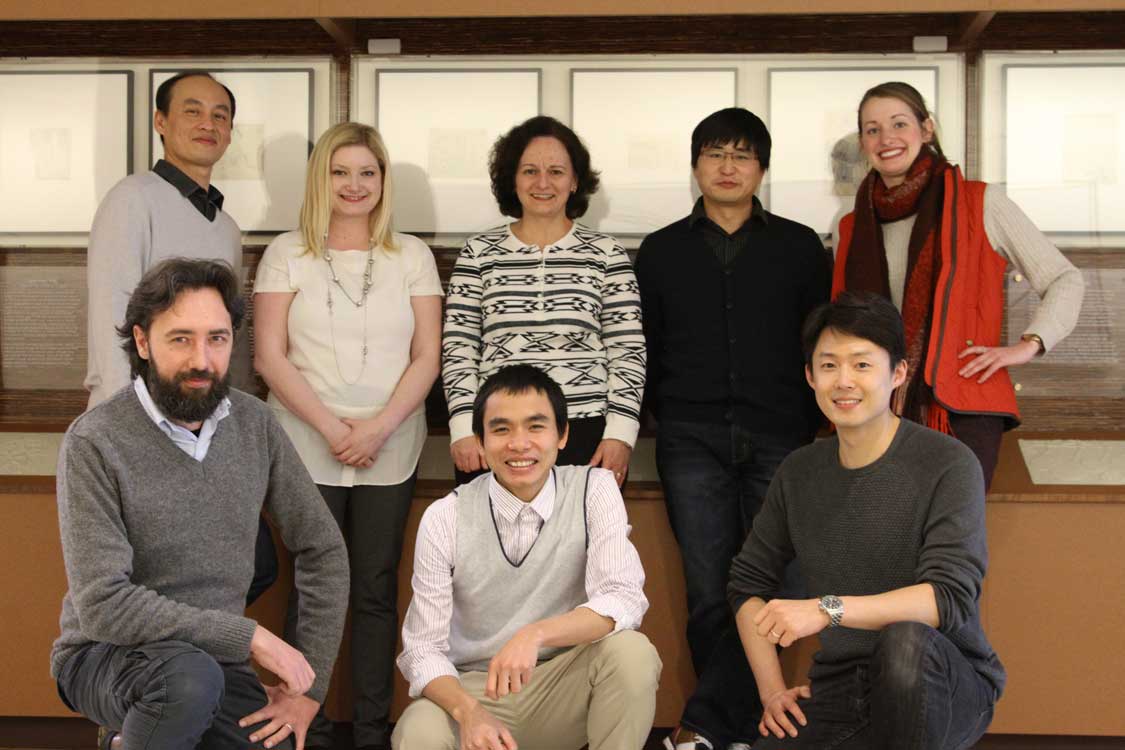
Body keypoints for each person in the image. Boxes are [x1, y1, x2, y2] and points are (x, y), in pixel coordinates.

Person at [52, 258, 349, 750]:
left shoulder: (255, 426)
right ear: (143, 343)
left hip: (214, 664)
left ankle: (132, 741)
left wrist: (309, 691)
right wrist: (252, 637)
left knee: (272, 733)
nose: (202, 360)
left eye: (217, 338)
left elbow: (323, 550)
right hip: (104, 655)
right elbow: (103, 606)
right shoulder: (95, 440)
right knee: (185, 682)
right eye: (180, 339)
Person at [728, 290, 1005, 750]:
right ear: (810, 377)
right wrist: (772, 691)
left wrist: (824, 609)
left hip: (944, 679)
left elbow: (947, 598)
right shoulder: (799, 472)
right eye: (829, 365)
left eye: (861, 364)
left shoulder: (948, 463)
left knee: (904, 644)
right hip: (843, 688)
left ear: (898, 373)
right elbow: (747, 585)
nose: (844, 381)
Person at [634, 107, 830, 750]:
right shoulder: (661, 251)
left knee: (779, 584)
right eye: (715, 153)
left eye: (742, 155)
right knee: (709, 592)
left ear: (762, 169)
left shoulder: (800, 246)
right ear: (696, 165)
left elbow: (818, 344)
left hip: (782, 434)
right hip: (690, 437)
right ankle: (738, 730)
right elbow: (648, 347)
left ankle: (710, 726)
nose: (727, 166)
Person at [254, 122, 443, 750]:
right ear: (320, 181)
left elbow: (427, 356)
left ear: (383, 180)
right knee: (311, 584)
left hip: (392, 442)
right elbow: (269, 358)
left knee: (376, 585)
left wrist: (379, 427)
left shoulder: (410, 254)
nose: (354, 185)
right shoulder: (286, 252)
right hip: (306, 441)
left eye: (367, 172)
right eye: (340, 172)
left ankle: (369, 729)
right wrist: (336, 429)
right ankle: (296, 722)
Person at [81, 68, 278, 648]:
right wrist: (128, 430)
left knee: (233, 570)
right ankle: (129, 723)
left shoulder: (227, 225)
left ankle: (183, 707)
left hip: (203, 428)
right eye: (192, 111)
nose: (207, 123)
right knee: (136, 585)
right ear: (162, 123)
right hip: (140, 426)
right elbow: (111, 319)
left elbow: (225, 341)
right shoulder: (132, 200)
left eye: (220, 115)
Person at [393, 364, 661, 750]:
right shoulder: (445, 516)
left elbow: (623, 599)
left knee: (632, 653)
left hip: (564, 686)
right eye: (501, 429)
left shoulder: (594, 489)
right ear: (481, 442)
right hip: (477, 690)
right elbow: (422, 650)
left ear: (562, 435)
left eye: (536, 426)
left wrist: (534, 635)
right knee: (417, 730)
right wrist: (469, 712)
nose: (519, 444)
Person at [835, 81, 1084, 488]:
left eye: (900, 123)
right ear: (863, 142)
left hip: (962, 406)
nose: (886, 138)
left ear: (927, 129)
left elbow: (1064, 279)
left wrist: (1029, 345)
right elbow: (840, 319)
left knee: (950, 538)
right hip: (875, 408)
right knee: (879, 539)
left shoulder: (980, 203)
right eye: (872, 129)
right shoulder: (851, 226)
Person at [442, 115, 646, 488]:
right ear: (512, 179)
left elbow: (628, 350)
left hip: (586, 429)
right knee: (493, 544)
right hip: (497, 431)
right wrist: (461, 428)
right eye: (530, 171)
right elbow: (459, 348)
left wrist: (620, 434)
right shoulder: (478, 253)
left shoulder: (606, 254)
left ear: (575, 181)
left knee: (584, 544)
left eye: (556, 171)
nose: (542, 183)